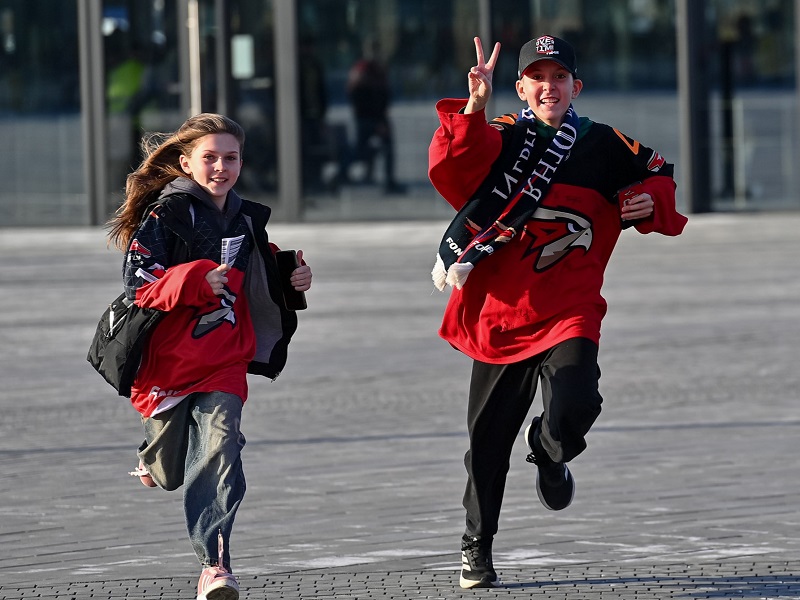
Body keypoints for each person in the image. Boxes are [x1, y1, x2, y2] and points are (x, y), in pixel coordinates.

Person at [428, 35, 687, 589]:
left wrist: (649, 203)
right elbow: (452, 170)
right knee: (487, 441)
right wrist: (473, 106)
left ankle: (549, 451)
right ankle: (478, 546)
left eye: (560, 77)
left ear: (576, 86)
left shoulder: (604, 143)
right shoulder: (501, 137)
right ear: (521, 87)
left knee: (575, 401)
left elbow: (659, 172)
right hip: (501, 312)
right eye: (537, 77)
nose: (550, 86)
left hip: (570, 307)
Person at [107, 113, 312, 600]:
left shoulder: (244, 216)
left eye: (231, 157)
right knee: (171, 470)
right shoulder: (167, 214)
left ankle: (215, 566)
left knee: (221, 449)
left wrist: (291, 278)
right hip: (167, 362)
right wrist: (197, 279)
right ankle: (153, 457)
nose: (222, 167)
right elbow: (139, 282)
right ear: (186, 162)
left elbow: (257, 263)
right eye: (210, 158)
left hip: (223, 357)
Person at [346, 37, 405, 194]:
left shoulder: (377, 69)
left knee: (373, 148)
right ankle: (343, 172)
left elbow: (382, 95)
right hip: (369, 117)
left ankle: (387, 181)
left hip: (374, 116)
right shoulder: (364, 70)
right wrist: (377, 120)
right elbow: (363, 96)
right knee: (364, 150)